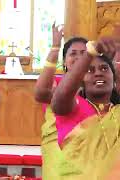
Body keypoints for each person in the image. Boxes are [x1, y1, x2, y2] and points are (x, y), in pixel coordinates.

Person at [43, 33, 120, 179]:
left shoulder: (117, 113)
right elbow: (58, 100)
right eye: (90, 70)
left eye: (104, 69)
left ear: (114, 78)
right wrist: (91, 51)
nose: (98, 73)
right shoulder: (74, 108)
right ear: (81, 80)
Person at [34, 23, 88, 103]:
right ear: (64, 62)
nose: (79, 58)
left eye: (84, 53)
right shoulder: (55, 82)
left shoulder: (95, 81)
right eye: (73, 53)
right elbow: (41, 94)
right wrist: (55, 47)